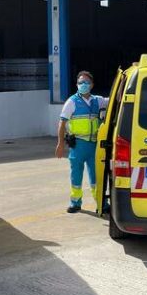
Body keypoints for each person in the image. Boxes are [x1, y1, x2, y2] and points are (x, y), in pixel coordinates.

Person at [55, 71, 109, 213]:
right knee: (76, 175)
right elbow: (62, 123)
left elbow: (116, 98)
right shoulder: (71, 102)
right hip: (78, 144)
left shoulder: (99, 101)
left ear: (92, 85)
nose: (83, 85)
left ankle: (101, 204)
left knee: (96, 176)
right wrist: (60, 144)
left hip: (94, 145)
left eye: (86, 82)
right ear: (76, 85)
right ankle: (75, 203)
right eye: (80, 82)